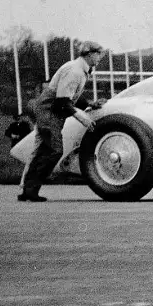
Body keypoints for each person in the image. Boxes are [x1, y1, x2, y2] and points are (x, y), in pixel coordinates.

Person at [20, 41, 104, 202]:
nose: (100, 57)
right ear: (89, 54)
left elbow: (70, 97)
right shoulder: (75, 71)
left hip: (51, 112)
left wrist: (90, 104)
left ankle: (27, 190)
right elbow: (62, 102)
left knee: (44, 151)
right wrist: (82, 118)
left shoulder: (80, 69)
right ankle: (31, 190)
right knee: (54, 150)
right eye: (98, 53)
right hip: (49, 112)